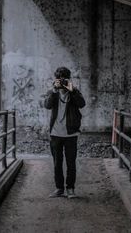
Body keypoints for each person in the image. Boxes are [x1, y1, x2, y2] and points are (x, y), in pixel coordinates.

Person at [44, 67, 86, 199]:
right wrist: (54, 91)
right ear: (56, 79)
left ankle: (71, 189)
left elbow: (82, 104)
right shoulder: (53, 92)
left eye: (64, 79)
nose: (62, 82)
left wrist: (72, 90)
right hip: (55, 134)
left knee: (71, 163)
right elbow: (47, 105)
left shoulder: (74, 91)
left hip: (71, 134)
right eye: (59, 79)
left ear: (69, 79)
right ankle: (59, 189)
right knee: (57, 163)